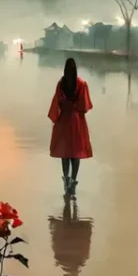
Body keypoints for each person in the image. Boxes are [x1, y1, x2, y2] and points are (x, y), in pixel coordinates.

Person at [48, 57, 93, 195]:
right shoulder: (82, 84)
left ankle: (66, 179)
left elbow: (57, 104)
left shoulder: (61, 84)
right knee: (76, 153)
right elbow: (84, 106)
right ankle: (73, 181)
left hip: (63, 121)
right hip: (76, 121)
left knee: (64, 153)